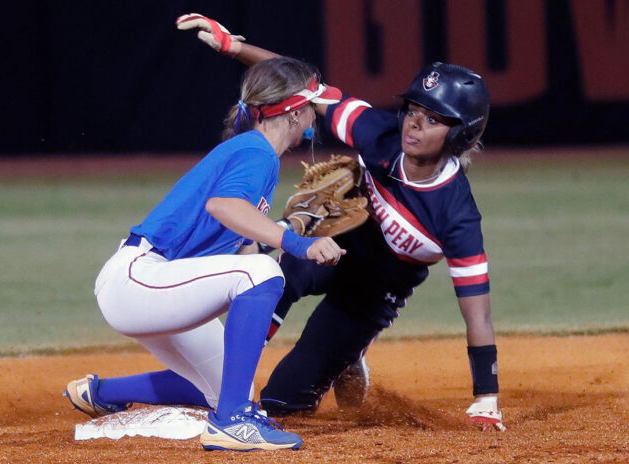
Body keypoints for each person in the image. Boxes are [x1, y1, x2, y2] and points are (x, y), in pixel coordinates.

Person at [176, 13, 505, 432]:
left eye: (434, 119)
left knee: (282, 403)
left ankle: (349, 353)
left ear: (463, 134)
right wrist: (234, 47)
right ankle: (222, 377)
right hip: (334, 245)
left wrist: (486, 398)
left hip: (372, 292)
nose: (414, 124)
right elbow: (304, 90)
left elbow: (478, 316)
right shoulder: (378, 133)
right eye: (414, 110)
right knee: (275, 273)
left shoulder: (456, 216)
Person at [63, 55, 347, 451]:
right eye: (313, 106)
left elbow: (241, 244)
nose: (316, 115)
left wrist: (288, 230)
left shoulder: (253, 153)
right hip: (140, 277)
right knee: (260, 272)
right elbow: (224, 207)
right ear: (294, 111)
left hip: (160, 284)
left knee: (233, 383)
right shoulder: (257, 152)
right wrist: (299, 244)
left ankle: (102, 392)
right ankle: (232, 424)